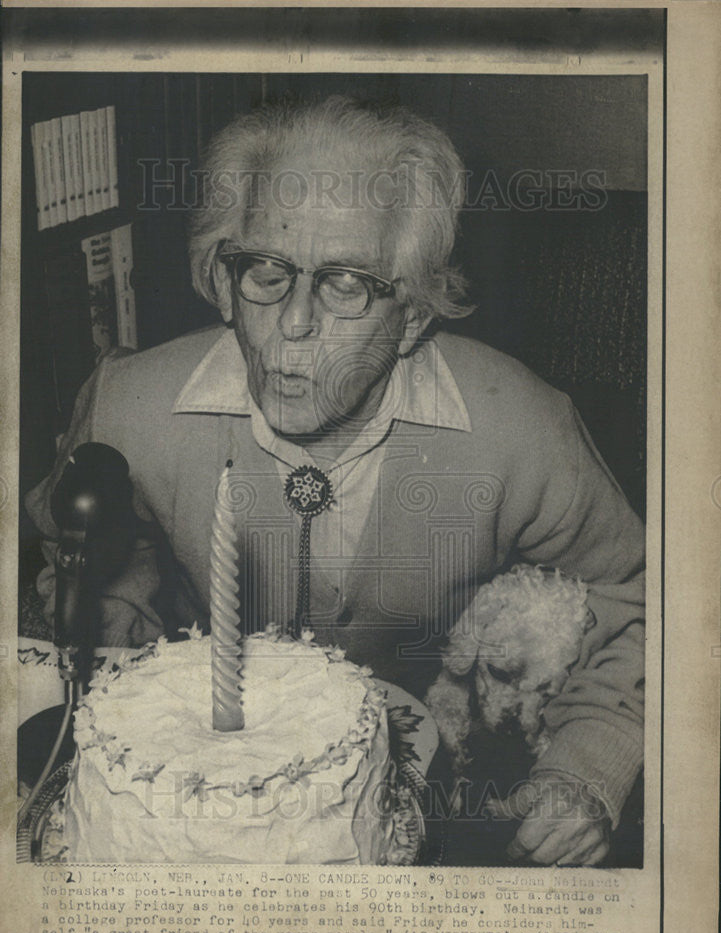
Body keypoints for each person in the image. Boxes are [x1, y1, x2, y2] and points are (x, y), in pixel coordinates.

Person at [25, 96, 644, 866]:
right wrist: (117, 604)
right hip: (198, 814)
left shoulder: (518, 427)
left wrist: (587, 766)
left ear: (414, 314)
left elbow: (643, 596)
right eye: (265, 270)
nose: (293, 323)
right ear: (223, 283)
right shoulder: (129, 407)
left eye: (346, 283)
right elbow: (80, 557)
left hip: (435, 799)